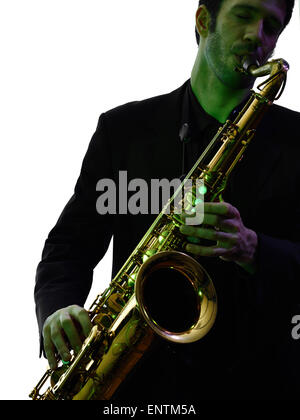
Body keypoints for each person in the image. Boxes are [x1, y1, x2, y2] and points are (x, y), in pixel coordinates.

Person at [34, 0, 300, 400]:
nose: (256, 36)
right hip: (137, 381)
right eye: (243, 14)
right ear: (203, 19)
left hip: (257, 381)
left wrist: (254, 249)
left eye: (271, 26)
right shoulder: (123, 132)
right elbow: (68, 248)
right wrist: (58, 309)